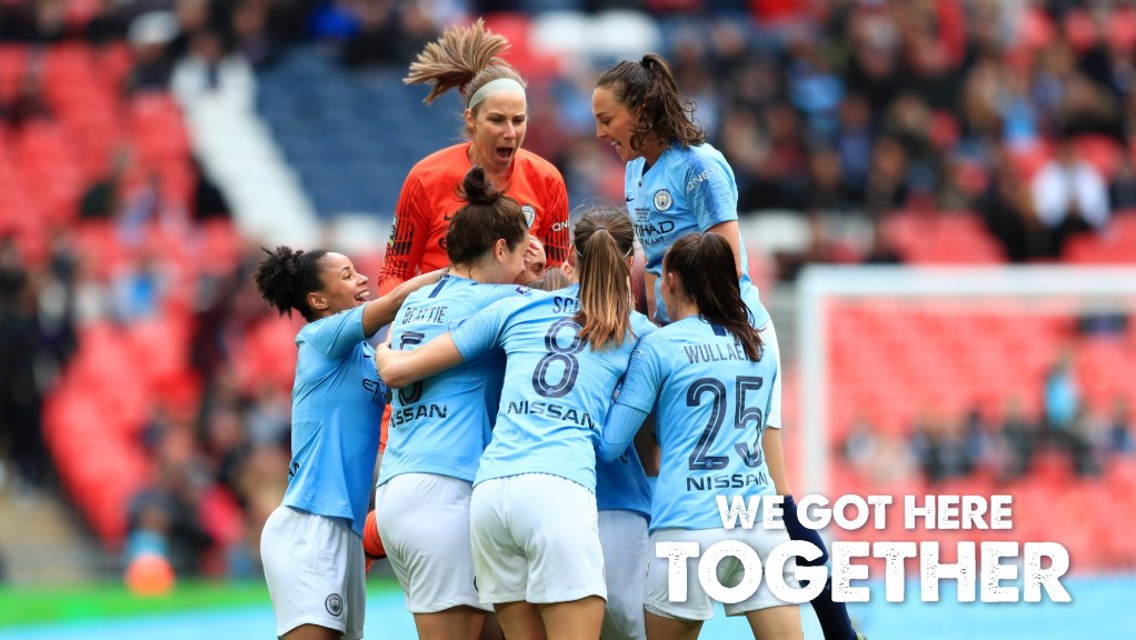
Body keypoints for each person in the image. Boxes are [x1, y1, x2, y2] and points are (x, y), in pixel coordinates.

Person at [593, 54, 864, 640]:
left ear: (641, 111)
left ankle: (840, 629)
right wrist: (651, 326)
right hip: (676, 333)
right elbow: (649, 266)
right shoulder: (636, 173)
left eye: (607, 118)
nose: (599, 132)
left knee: (775, 493)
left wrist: (699, 342)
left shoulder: (701, 167)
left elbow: (728, 260)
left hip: (731, 331)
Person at [375, 209, 656, 640]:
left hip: (490, 494)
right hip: (559, 487)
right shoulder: (639, 333)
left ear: (571, 257)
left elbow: (402, 369)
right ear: (629, 262)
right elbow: (611, 445)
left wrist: (385, 350)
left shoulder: (515, 306)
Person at [597, 232, 801, 640]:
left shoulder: (659, 347)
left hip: (688, 525)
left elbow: (611, 444)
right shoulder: (758, 346)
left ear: (671, 281)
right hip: (757, 523)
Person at [375, 166, 530, 640]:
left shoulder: (414, 302)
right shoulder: (497, 302)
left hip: (401, 484)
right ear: (500, 250)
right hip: (445, 491)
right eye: (522, 254)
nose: (524, 268)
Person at [254, 246, 440, 640]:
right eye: (346, 275)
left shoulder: (369, 358)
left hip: (347, 529)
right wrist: (462, 273)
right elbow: (396, 301)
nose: (362, 279)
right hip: (311, 523)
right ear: (318, 301)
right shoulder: (319, 337)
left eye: (356, 271)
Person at [379, 18, 569, 297]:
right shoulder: (426, 177)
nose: (510, 132)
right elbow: (394, 272)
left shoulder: (547, 180)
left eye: (518, 120)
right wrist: (410, 315)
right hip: (442, 317)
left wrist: (540, 272)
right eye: (497, 120)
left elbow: (559, 276)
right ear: (471, 119)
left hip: (517, 319)